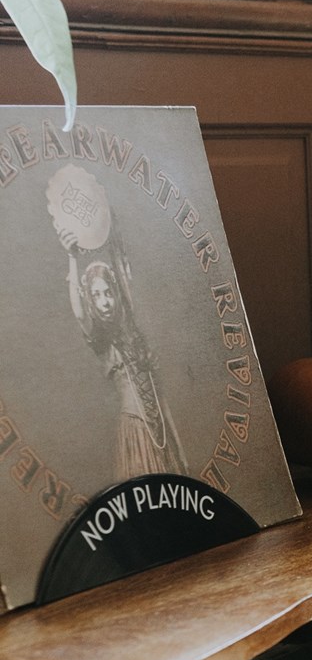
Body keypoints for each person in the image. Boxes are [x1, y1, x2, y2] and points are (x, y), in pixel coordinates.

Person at [51, 166, 188, 480]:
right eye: (97, 296)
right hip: (136, 433)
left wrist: (111, 230)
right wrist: (72, 257)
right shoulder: (102, 341)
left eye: (107, 293)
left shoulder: (133, 331)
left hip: (162, 428)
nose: (104, 301)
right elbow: (80, 314)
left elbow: (125, 278)